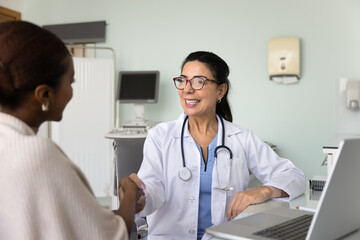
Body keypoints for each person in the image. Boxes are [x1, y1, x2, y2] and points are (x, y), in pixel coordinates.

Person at [130, 51, 306, 240]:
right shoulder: (160, 136)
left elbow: (294, 177)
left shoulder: (241, 138)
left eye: (198, 81)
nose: (187, 89)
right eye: (182, 80)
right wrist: (139, 199)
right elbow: (152, 190)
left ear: (221, 91)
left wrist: (263, 191)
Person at [0, 21, 145, 240]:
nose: (71, 91)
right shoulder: (36, 153)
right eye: (71, 81)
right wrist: (131, 193)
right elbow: (111, 235)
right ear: (45, 95)